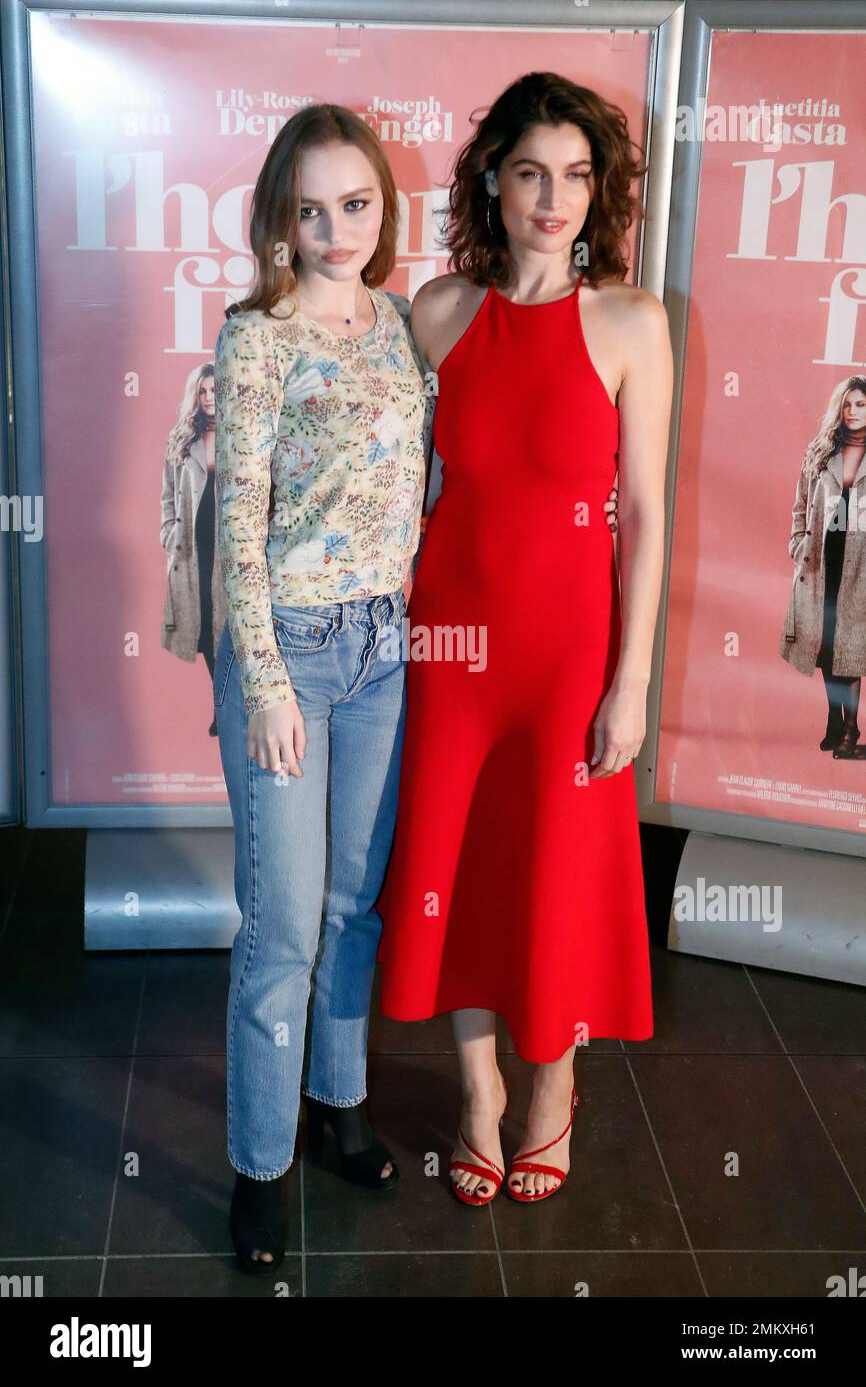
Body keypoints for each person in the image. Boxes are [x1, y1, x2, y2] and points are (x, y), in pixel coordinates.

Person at [375, 73, 672, 1206]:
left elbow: (641, 512)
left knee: (554, 874)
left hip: (567, 657)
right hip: (447, 645)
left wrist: (630, 676)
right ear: (492, 181)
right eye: (530, 172)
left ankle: (550, 1088)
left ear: (598, 192)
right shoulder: (439, 312)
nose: (553, 198)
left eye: (576, 175)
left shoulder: (632, 323)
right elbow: (413, 487)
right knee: (455, 866)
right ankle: (478, 1093)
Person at [212, 104, 434, 1271]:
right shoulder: (256, 339)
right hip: (290, 651)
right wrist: (261, 682)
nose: (336, 229)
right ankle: (259, 1161)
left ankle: (336, 1101)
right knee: (284, 926)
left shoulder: (398, 323)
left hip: (383, 650)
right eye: (311, 209)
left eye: (356, 204)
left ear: (381, 208)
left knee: (356, 903)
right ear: (279, 218)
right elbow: (236, 526)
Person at [780, 376, 866, 758]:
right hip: (821, 558)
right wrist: (798, 544)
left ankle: (851, 729)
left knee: (852, 648)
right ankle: (834, 720)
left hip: (860, 564)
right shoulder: (820, 450)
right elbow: (800, 503)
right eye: (847, 404)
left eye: (861, 404)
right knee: (828, 645)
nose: (853, 412)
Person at [159, 363, 228, 735]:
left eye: (215, 391)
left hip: (228, 545)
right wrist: (169, 533)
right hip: (191, 546)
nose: (209, 398)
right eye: (203, 392)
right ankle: (222, 705)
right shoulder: (182, 439)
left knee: (226, 626)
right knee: (201, 627)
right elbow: (167, 495)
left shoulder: (242, 433)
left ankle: (225, 706)